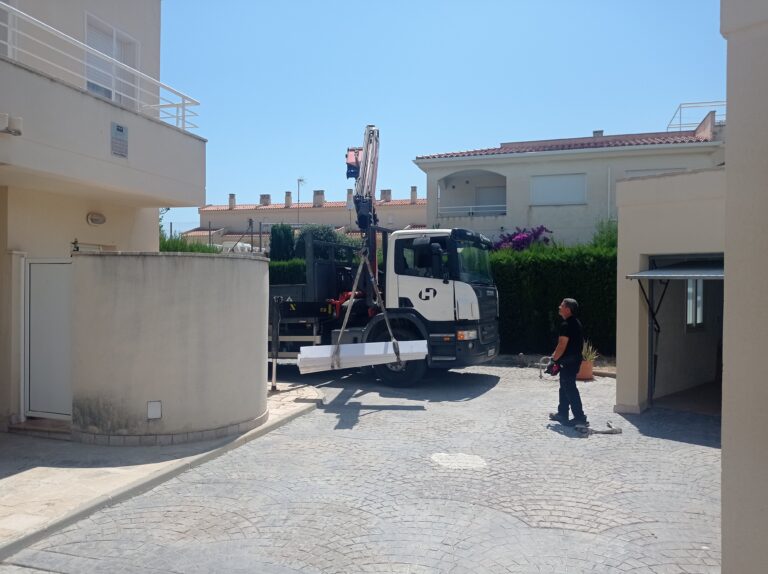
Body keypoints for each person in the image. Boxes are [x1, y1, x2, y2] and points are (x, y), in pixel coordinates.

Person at [548, 298, 588, 427]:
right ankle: (562, 413)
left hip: (569, 362)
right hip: (573, 360)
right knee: (564, 386)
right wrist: (555, 357)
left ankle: (580, 417)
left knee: (569, 388)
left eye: (562, 305)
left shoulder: (566, 325)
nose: (559, 307)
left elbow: (562, 344)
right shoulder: (575, 322)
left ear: (568, 309)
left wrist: (554, 360)